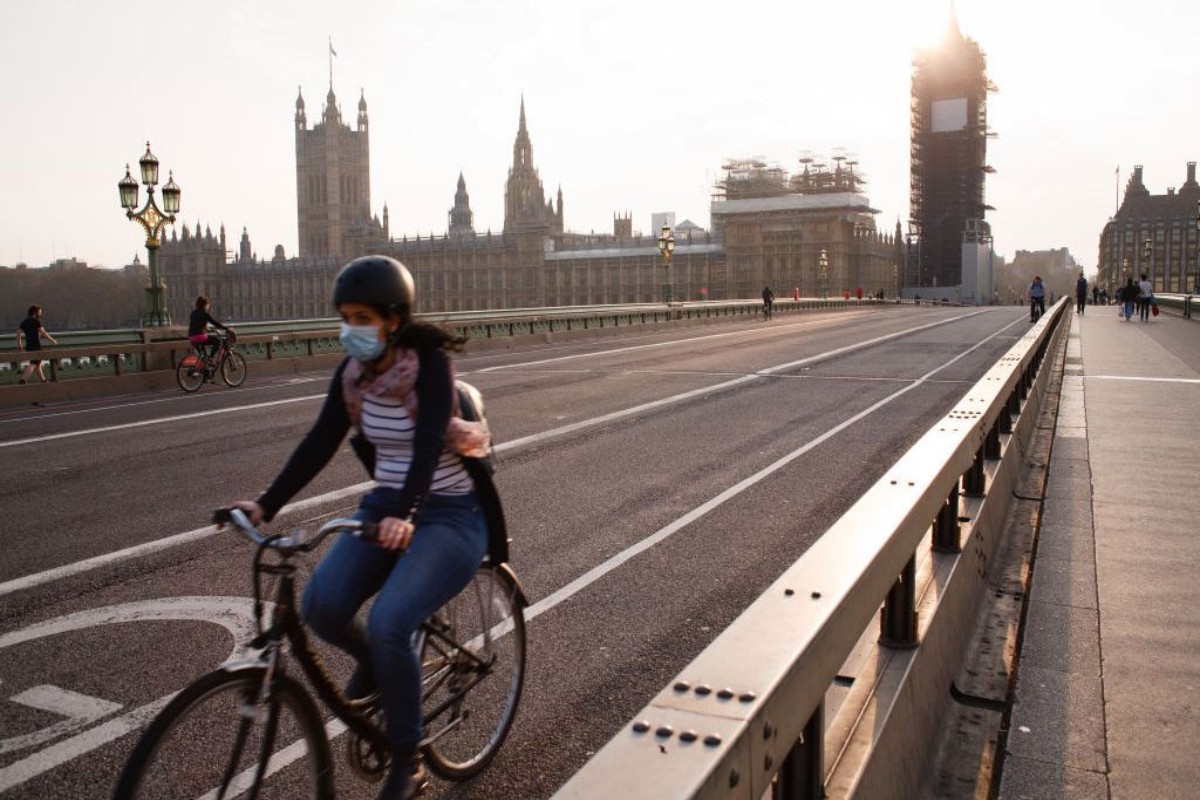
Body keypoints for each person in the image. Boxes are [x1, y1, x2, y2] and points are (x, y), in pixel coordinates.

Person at [229, 256, 491, 800]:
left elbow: (424, 449)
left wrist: (410, 514)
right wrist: (264, 505)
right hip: (385, 509)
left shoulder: (429, 365)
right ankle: (378, 662)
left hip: (448, 513)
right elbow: (320, 441)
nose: (350, 329)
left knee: (392, 619)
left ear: (393, 319)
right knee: (321, 605)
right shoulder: (353, 375)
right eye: (345, 317)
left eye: (361, 317)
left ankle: (407, 760)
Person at [16, 305, 58, 384]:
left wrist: (20, 345)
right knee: (34, 363)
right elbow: (43, 333)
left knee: (37, 363)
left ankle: (43, 379)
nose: (40, 314)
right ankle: (23, 379)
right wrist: (52, 340)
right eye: (39, 312)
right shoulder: (36, 321)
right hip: (36, 345)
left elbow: (18, 334)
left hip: (28, 346)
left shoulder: (24, 322)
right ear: (35, 313)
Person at [188, 296, 230, 362]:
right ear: (205, 305)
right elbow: (215, 323)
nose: (208, 307)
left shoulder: (193, 313)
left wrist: (206, 328)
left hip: (191, 337)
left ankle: (204, 368)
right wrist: (226, 328)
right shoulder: (205, 313)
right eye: (208, 305)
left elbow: (196, 324)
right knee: (217, 341)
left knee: (203, 356)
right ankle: (211, 358)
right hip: (200, 336)